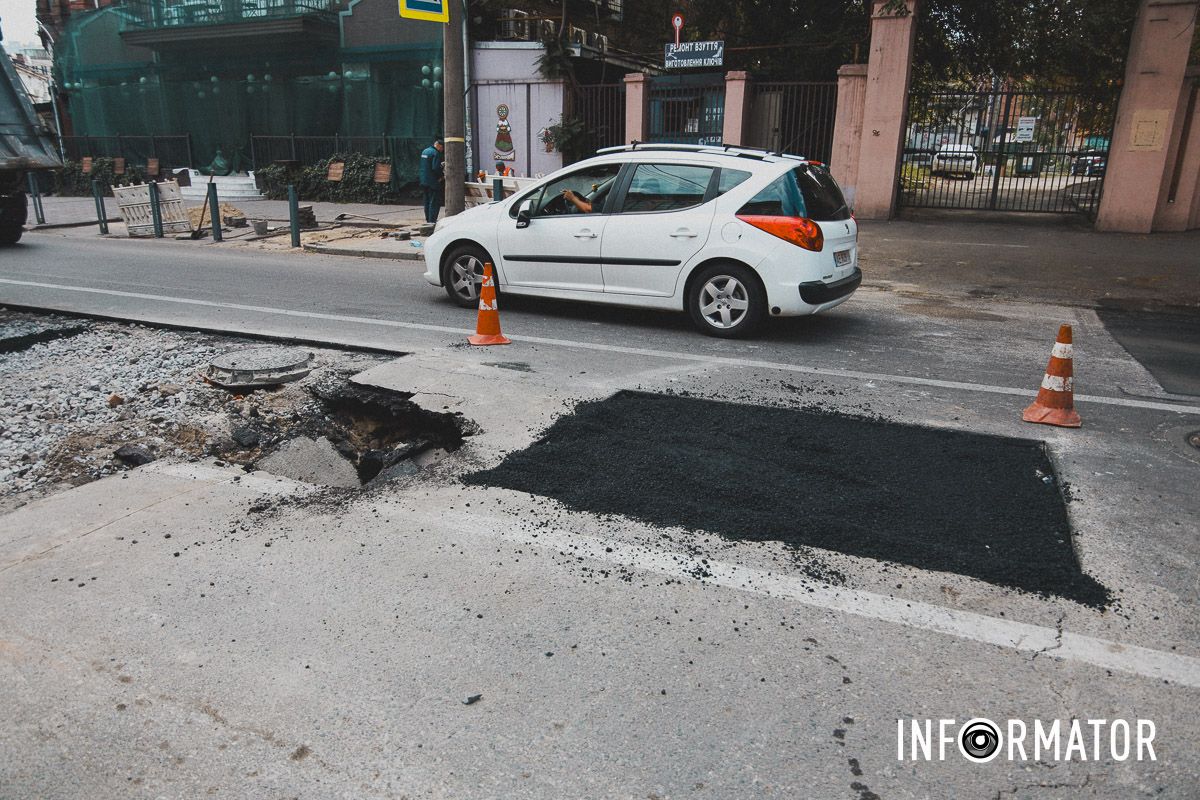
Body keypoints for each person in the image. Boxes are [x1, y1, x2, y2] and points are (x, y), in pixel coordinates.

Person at [419, 138, 444, 223]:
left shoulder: (425, 151)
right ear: (439, 146)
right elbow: (435, 168)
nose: (442, 150)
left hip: (424, 180)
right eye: (442, 148)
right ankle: (432, 220)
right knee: (434, 202)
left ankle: (427, 219)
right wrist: (441, 176)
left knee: (426, 201)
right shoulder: (435, 153)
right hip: (433, 182)